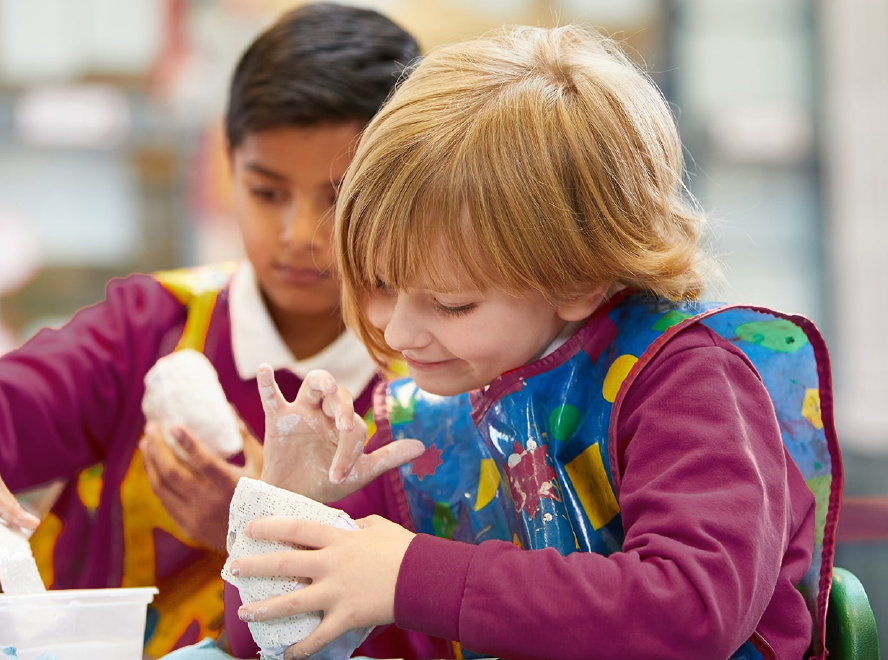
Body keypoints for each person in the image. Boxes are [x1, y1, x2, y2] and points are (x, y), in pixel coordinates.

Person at [221, 23, 842, 660]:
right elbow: (265, 640)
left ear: (578, 275)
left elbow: (692, 609)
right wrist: (286, 504)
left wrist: (412, 575)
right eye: (379, 282)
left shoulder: (686, 383)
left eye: (452, 303)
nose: (398, 331)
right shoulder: (418, 423)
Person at [0, 4, 450, 658]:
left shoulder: (438, 377)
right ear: (226, 167)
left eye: (337, 198)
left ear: (404, 192)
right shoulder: (153, 327)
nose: (299, 234)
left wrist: (257, 531)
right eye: (267, 192)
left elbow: (436, 620)